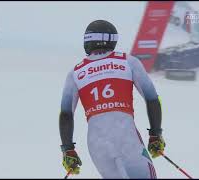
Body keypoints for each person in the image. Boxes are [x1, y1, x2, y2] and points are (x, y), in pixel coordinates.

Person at [59, 20, 165, 178]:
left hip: (97, 145)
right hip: (126, 137)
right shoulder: (128, 61)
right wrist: (156, 134)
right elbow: (152, 99)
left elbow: (66, 114)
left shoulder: (75, 72)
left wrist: (68, 150)